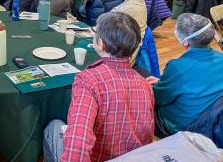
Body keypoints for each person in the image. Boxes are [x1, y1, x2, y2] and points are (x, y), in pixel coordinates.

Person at [43, 12, 154, 162]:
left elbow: (78, 140)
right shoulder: (145, 84)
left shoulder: (88, 80)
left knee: (53, 126)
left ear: (100, 44)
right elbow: (147, 135)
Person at [147, 13, 223, 137]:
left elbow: (158, 98)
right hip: (213, 122)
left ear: (185, 42)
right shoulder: (222, 58)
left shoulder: (178, 67)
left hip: (183, 128)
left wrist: (158, 85)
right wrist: (163, 82)